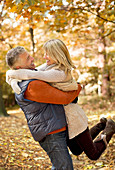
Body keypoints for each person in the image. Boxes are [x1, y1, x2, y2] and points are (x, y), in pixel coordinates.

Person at [6, 42, 115, 161]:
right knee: (76, 150)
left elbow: (29, 73)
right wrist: (13, 79)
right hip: (65, 116)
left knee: (93, 154)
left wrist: (10, 74)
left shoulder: (58, 73)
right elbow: (28, 73)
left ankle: (109, 128)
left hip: (74, 116)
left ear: (56, 55)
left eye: (48, 54)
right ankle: (101, 125)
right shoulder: (50, 66)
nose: (44, 57)